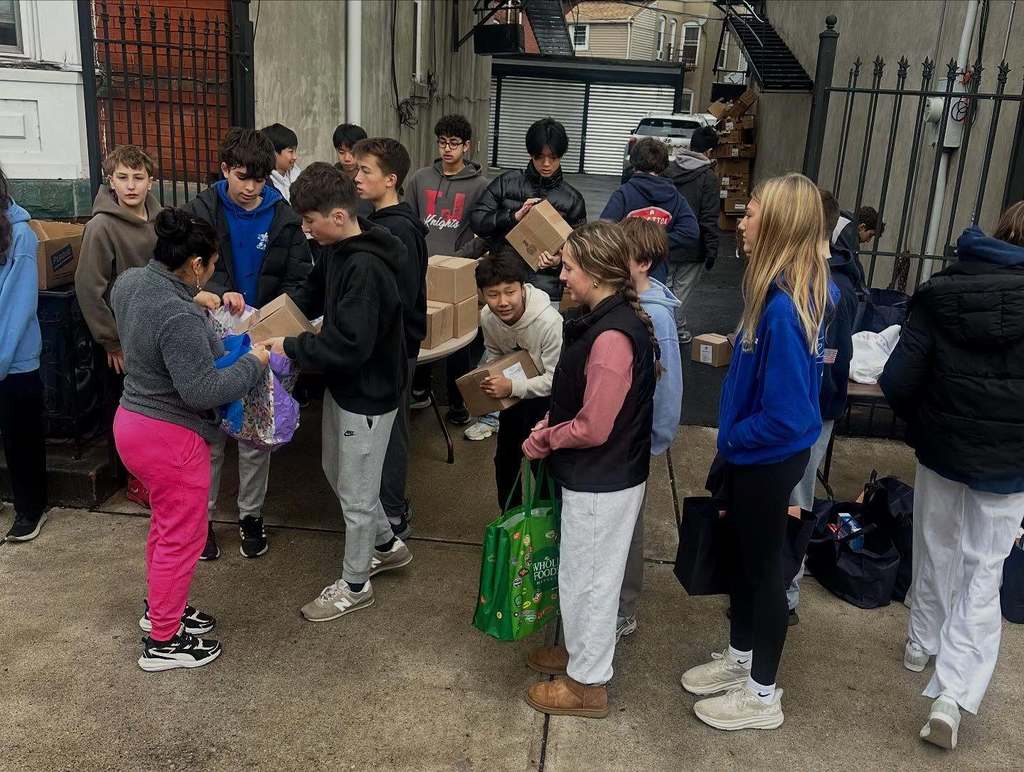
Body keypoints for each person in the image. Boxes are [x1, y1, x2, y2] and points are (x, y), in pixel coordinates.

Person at [680, 173, 829, 732]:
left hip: (766, 460)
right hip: (755, 459)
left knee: (766, 574)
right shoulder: (772, 295)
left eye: (752, 212)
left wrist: (732, 440)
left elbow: (790, 415)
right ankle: (741, 660)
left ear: (780, 224)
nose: (740, 222)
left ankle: (763, 696)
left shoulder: (784, 310)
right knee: (746, 563)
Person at [879, 201, 1024, 751]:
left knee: (936, 542)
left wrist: (927, 421)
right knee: (985, 570)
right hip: (1010, 463)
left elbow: (898, 379)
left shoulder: (941, 291)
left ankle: (922, 642)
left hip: (941, 448)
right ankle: (954, 694)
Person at [111, 208, 268, 671]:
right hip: (170, 435)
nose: (214, 272)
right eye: (213, 263)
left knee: (165, 527)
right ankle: (163, 641)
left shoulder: (132, 284)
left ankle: (162, 611)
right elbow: (201, 389)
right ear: (196, 264)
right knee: (184, 535)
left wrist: (196, 300)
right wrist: (254, 362)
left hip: (133, 422)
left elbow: (155, 309)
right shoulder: (178, 316)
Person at [261, 162, 412, 622]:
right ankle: (387, 546)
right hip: (346, 389)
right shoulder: (337, 249)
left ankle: (355, 584)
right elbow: (311, 291)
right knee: (338, 472)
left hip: (367, 393)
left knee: (358, 494)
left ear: (340, 216)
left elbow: (349, 344)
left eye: (310, 221)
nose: (306, 230)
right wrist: (265, 318)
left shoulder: (366, 267)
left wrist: (289, 344)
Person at [521, 220, 658, 719]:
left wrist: (546, 438)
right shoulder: (607, 320)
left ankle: (588, 684)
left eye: (570, 268)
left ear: (598, 275)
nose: (563, 276)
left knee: (593, 580)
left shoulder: (611, 337)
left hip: (604, 477)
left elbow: (595, 426)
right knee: (580, 572)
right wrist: (553, 419)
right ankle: (580, 654)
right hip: (601, 473)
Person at [187, 127, 313, 560]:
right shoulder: (202, 208)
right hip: (212, 336)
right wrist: (222, 292)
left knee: (256, 431)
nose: (251, 188)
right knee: (210, 435)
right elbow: (189, 264)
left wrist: (273, 314)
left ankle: (251, 516)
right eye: (243, 177)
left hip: (264, 336)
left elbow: (300, 277)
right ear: (225, 170)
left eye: (259, 179)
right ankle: (199, 520)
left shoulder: (284, 215)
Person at [75, 145, 164, 508]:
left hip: (160, 332)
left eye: (138, 178)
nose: (131, 186)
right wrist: (111, 341)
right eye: (122, 178)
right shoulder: (101, 226)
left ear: (150, 181)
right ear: (110, 181)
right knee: (131, 414)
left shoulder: (164, 219)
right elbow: (89, 288)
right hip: (123, 342)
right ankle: (134, 479)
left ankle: (156, 476)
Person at [785, 188, 859, 621]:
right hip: (812, 406)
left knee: (797, 495)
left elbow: (830, 357)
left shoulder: (831, 287)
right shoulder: (821, 278)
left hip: (812, 410)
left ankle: (786, 592)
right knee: (792, 493)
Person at [355, 137, 428, 540]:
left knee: (392, 428)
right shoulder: (376, 220)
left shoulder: (398, 228)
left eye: (366, 171)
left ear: (391, 179)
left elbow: (401, 296)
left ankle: (394, 514)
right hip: (383, 345)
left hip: (394, 347)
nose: (357, 177)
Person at [615, 217, 682, 642]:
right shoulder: (617, 300)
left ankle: (623, 608)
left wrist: (655, 440)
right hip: (611, 439)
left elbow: (668, 385)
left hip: (633, 442)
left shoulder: (657, 316)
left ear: (642, 263)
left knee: (628, 528)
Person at [404, 114, 490, 426]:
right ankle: (418, 390)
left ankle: (458, 404)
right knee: (423, 328)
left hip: (459, 272)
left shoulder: (480, 186)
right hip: (421, 268)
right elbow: (409, 221)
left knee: (458, 339)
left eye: (454, 143)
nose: (447, 149)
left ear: (467, 146)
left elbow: (484, 233)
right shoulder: (420, 179)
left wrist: (458, 260)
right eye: (443, 142)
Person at [475, 252, 563, 510]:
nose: (502, 302)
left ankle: (550, 525)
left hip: (544, 402)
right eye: (493, 294)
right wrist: (493, 380)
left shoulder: (549, 322)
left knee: (542, 465)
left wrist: (512, 386)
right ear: (481, 294)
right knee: (505, 461)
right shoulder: (487, 317)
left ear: (522, 289)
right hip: (513, 399)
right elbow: (493, 352)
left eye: (510, 292)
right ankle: (510, 520)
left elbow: (554, 379)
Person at [469, 117, 586, 302]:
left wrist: (558, 262)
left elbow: (580, 252)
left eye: (553, 157)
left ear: (561, 155)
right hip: (502, 284)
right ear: (530, 154)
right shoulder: (506, 183)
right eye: (539, 157)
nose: (546, 164)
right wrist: (512, 216)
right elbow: (477, 220)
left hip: (545, 290)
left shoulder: (572, 199)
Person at [0, 163, 48, 542]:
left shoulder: (20, 235)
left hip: (13, 361)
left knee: (21, 438)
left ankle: (30, 509)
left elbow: (17, 307)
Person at [600, 137, 698, 286]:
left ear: (634, 162)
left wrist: (632, 244)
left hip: (624, 276)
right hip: (656, 278)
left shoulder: (624, 193)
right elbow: (690, 232)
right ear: (664, 165)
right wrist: (656, 243)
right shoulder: (675, 198)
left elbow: (603, 231)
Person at [664, 126, 721, 343]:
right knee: (681, 292)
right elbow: (709, 217)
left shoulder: (669, 170)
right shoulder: (708, 178)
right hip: (693, 245)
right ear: (709, 152)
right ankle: (675, 330)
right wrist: (711, 249)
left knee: (663, 286)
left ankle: (660, 326)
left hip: (665, 241)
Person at [332, 122, 374, 219]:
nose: (347, 158)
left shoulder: (372, 179)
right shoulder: (328, 179)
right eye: (341, 152)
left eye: (352, 152)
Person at [261, 123, 301, 202]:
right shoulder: (265, 184)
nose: (295, 157)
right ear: (274, 153)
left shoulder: (297, 175)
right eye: (291, 151)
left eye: (295, 151)